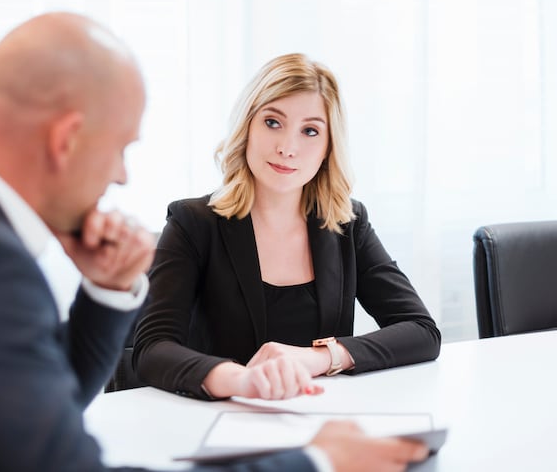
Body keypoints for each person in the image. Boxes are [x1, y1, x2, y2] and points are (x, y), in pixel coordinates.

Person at [0, 16, 429, 472]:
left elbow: (51, 404)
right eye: (121, 147)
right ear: (67, 139)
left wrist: (106, 293)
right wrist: (318, 463)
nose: (121, 176)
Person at [133, 53, 441, 402]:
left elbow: (422, 331)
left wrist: (319, 358)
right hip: (227, 420)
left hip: (323, 417)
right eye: (272, 122)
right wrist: (241, 380)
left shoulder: (347, 224)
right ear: (247, 126)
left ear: (328, 148)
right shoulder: (193, 223)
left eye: (310, 131)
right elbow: (152, 349)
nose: (287, 148)